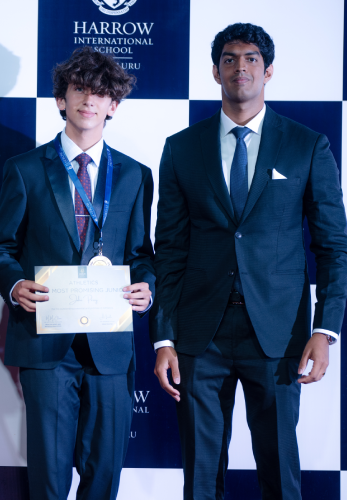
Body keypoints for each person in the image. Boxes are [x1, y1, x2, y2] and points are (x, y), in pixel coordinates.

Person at [151, 23, 347, 499]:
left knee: (280, 473)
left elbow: (333, 247)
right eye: (230, 59)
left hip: (278, 333)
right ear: (215, 71)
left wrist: (325, 330)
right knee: (200, 477)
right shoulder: (181, 147)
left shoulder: (306, 145)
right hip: (200, 334)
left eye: (252, 58)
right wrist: (164, 336)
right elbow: (170, 249)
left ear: (269, 70)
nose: (241, 67)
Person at [0, 47, 155, 500]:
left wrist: (146, 287)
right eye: (79, 89)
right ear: (62, 99)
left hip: (109, 344)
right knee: (49, 475)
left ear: (113, 105)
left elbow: (141, 254)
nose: (88, 100)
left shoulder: (136, 175)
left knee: (105, 472)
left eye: (100, 93)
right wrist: (14, 285)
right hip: (46, 340)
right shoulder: (24, 169)